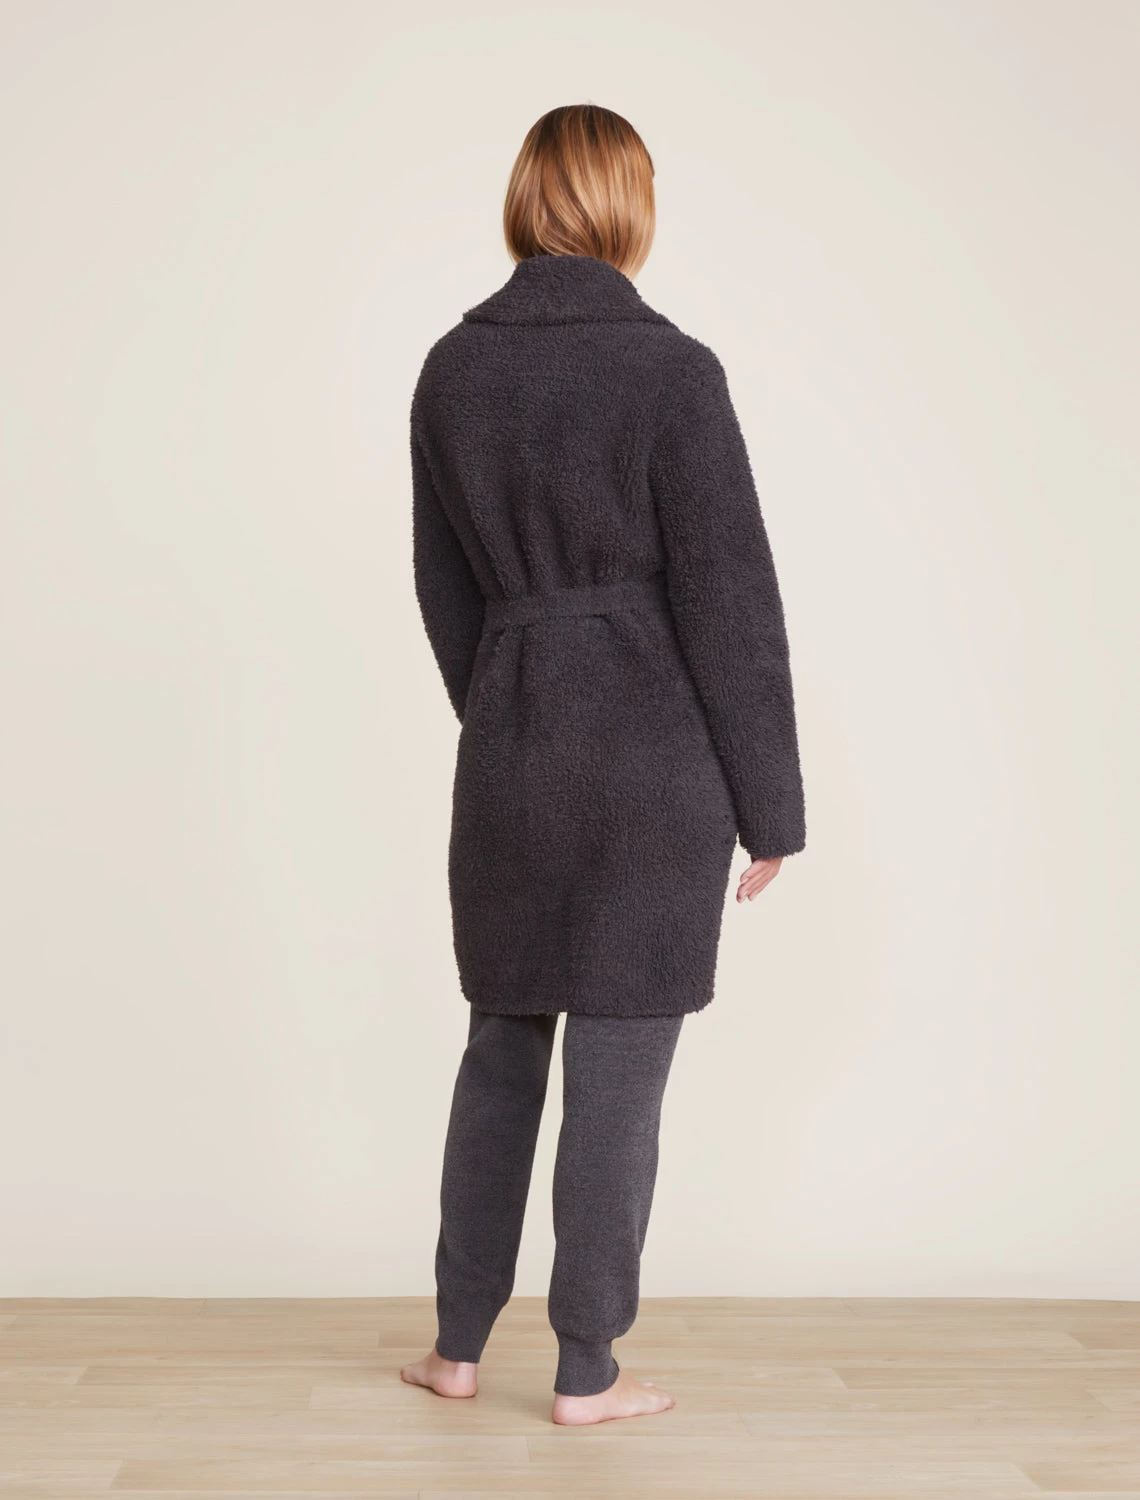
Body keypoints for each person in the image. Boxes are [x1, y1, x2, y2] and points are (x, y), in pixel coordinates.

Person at [401, 103, 806, 1426]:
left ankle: (458, 1348)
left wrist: (508, 710)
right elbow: (731, 601)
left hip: (513, 757)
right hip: (654, 768)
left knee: (500, 1051)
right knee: (619, 1078)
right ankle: (588, 1369)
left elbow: (446, 595)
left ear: (526, 199)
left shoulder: (453, 371)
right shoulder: (672, 372)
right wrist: (770, 804)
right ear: (631, 205)